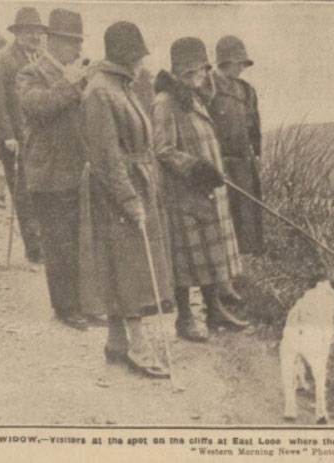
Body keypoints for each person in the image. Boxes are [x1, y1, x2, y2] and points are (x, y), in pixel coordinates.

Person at [81, 21, 175, 378]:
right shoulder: (100, 92)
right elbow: (106, 157)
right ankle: (138, 346)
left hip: (133, 181)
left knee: (124, 263)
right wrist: (129, 198)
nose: (141, 62)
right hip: (114, 190)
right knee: (128, 266)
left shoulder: (121, 86)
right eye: (137, 55)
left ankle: (117, 341)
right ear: (125, 56)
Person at [151, 37, 249, 341]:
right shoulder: (166, 103)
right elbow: (163, 150)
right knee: (185, 259)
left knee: (208, 252)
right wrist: (195, 167)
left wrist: (208, 171)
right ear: (182, 70)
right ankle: (185, 319)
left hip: (203, 190)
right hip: (182, 193)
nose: (204, 75)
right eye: (198, 69)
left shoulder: (192, 96)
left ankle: (215, 311)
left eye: (205, 69)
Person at [16, 8, 92, 331]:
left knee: (77, 240)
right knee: (58, 243)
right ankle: (65, 308)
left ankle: (79, 302)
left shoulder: (78, 75)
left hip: (76, 171)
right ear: (52, 41)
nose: (76, 49)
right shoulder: (30, 73)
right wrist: (69, 83)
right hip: (46, 174)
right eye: (70, 42)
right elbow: (37, 107)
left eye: (77, 42)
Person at [0, 7, 44, 263]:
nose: (35, 37)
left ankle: (40, 245)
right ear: (18, 33)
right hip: (14, 140)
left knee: (38, 190)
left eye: (38, 32)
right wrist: (7, 135)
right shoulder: (1, 59)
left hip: (36, 139)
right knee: (24, 193)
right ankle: (35, 250)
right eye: (30, 32)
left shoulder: (39, 59)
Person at [206, 35, 265, 305]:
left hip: (244, 165)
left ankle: (237, 277)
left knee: (245, 223)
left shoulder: (246, 90)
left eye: (243, 63)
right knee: (223, 223)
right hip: (221, 166)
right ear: (224, 61)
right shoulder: (209, 88)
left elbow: (254, 129)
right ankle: (221, 282)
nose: (241, 67)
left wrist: (257, 155)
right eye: (237, 62)